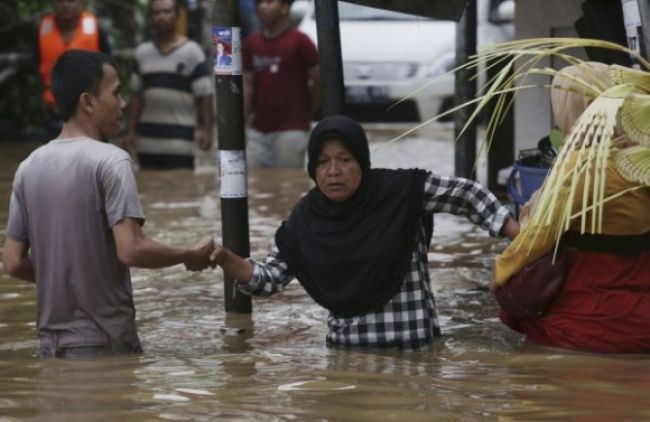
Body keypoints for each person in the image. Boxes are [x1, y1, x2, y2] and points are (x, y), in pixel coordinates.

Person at [209, 115, 519, 349]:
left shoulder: (401, 192)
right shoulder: (306, 220)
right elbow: (269, 280)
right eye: (323, 162)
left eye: (344, 160)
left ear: (362, 160)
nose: (333, 171)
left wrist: (520, 234)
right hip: (347, 362)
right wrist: (224, 257)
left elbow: (466, 194)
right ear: (312, 169)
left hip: (413, 353)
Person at [2, 50, 217, 358]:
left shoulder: (28, 167)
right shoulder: (111, 160)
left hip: (50, 347)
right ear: (88, 102)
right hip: (104, 343)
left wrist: (65, 276)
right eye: (116, 93)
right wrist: (187, 255)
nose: (124, 104)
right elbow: (131, 249)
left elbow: (12, 262)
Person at [492, 62, 650, 353]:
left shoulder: (581, 167)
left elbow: (534, 242)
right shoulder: (641, 161)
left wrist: (500, 276)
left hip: (584, 328)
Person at [124, 0, 214, 170]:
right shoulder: (142, 53)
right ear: (150, 18)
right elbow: (136, 96)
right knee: (150, 191)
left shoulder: (192, 52)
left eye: (166, 12)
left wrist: (207, 130)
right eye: (156, 13)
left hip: (181, 143)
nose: (161, 17)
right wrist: (130, 132)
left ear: (177, 16)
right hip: (147, 143)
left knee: (182, 193)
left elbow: (205, 95)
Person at [243, 0, 321, 168]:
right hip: (258, 129)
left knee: (289, 182)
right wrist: (244, 122)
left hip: (292, 129)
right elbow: (247, 86)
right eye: (260, 3)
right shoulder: (252, 43)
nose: (263, 7)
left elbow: (318, 80)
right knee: (255, 183)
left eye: (270, 2)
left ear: (284, 8)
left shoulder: (300, 41)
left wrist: (309, 111)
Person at [36, 0, 111, 141]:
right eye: (60, 1)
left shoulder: (96, 28)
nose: (65, 5)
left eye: (71, 0)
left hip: (90, 112)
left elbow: (109, 67)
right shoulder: (42, 29)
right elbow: (37, 62)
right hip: (54, 112)